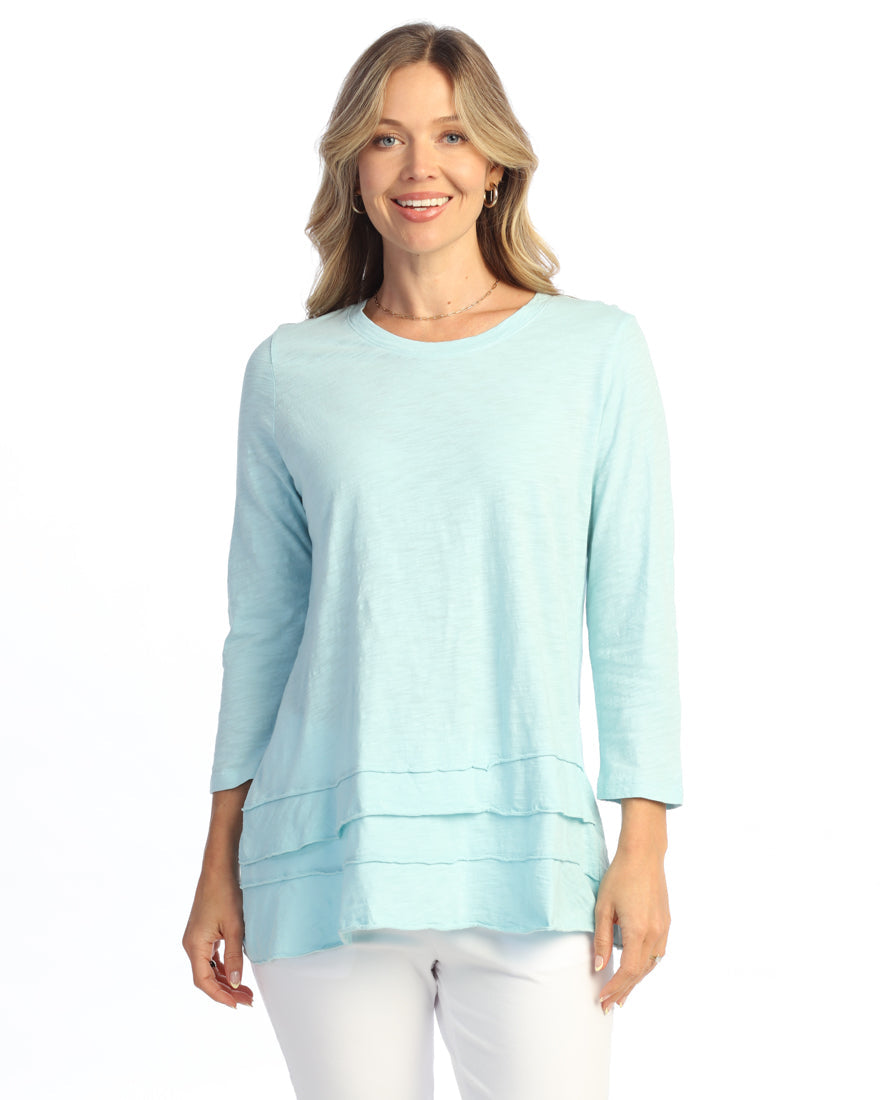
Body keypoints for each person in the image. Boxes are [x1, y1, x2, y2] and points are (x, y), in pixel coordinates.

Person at [182, 21, 682, 1100]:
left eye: (452, 136)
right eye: (386, 138)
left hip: (531, 867)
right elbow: (262, 632)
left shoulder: (593, 351)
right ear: (353, 169)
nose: (420, 168)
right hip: (323, 862)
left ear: (495, 163)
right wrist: (218, 860)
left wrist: (642, 842)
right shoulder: (291, 371)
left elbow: (632, 614)